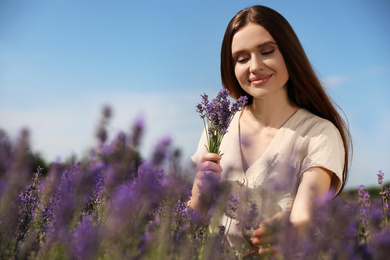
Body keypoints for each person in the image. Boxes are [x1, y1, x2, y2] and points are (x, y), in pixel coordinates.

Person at [188, 5, 351, 257]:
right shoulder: (218, 127)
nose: (255, 66)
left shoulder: (319, 134)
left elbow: (304, 217)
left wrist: (290, 231)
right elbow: (191, 224)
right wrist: (199, 191)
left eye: (266, 51)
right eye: (241, 59)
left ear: (289, 52)